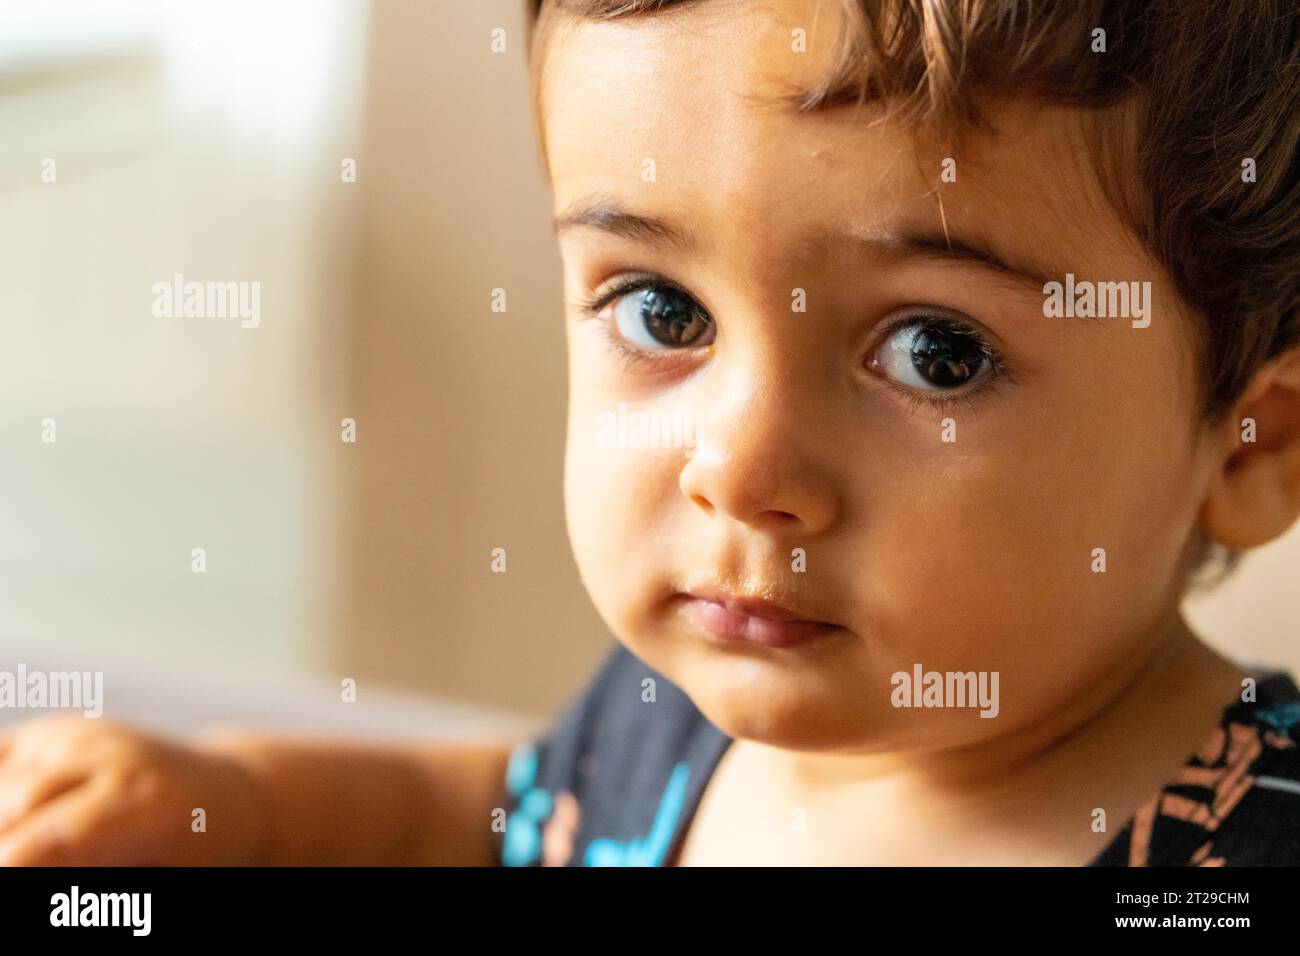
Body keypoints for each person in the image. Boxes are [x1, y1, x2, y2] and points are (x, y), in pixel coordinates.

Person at [2, 0, 1298, 866]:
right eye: (663, 309)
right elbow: (486, 819)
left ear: (1250, 444)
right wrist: (243, 809)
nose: (737, 471)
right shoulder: (672, 731)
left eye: (935, 354)